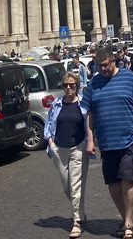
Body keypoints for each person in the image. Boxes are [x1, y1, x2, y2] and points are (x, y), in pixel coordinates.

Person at [82, 48, 133, 239]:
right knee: (112, 183)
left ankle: (128, 222)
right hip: (107, 141)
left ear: (114, 61)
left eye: (106, 65)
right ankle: (125, 217)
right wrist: (90, 139)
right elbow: (89, 113)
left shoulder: (129, 78)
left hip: (131, 138)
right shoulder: (94, 82)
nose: (103, 69)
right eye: (100, 66)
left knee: (128, 178)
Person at [46, 71, 91, 238]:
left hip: (78, 148)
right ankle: (81, 212)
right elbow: (49, 123)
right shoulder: (57, 104)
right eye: (66, 85)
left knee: (76, 185)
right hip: (59, 149)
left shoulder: (83, 104)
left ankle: (76, 222)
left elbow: (90, 124)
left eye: (72, 85)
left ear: (77, 86)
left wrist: (89, 142)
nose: (69, 88)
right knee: (66, 186)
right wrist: (50, 142)